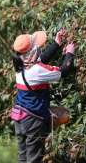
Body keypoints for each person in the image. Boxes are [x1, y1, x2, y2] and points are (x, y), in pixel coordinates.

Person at [10, 29, 75, 163]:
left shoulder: (20, 65)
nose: (39, 48)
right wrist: (70, 52)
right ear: (31, 52)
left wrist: (57, 43)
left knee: (23, 157)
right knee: (34, 159)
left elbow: (42, 58)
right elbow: (64, 70)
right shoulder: (37, 71)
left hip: (19, 117)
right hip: (32, 120)